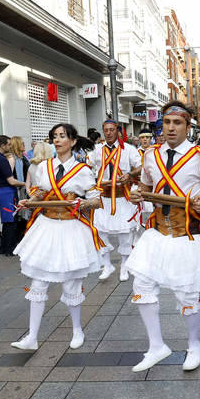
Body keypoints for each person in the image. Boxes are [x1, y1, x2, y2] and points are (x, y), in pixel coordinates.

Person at [127, 101, 200, 372]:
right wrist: (137, 193)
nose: (171, 128)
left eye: (177, 123)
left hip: (188, 234)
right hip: (157, 233)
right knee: (142, 287)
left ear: (188, 126)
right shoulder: (150, 155)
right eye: (167, 123)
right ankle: (156, 346)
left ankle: (194, 345)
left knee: (187, 293)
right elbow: (146, 186)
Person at [11, 123, 102, 351]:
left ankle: (77, 330)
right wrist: (29, 202)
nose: (58, 140)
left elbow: (96, 199)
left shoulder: (82, 170)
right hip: (47, 227)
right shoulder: (44, 167)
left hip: (71, 229)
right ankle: (32, 337)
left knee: (71, 285)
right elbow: (40, 192)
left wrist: (82, 203)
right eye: (55, 137)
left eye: (62, 136)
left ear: (72, 141)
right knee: (38, 283)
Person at [90, 120, 141, 281]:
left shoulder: (129, 150)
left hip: (122, 196)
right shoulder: (96, 150)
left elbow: (141, 166)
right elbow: (88, 168)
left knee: (125, 234)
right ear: (103, 132)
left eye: (112, 130)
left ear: (117, 131)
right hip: (103, 197)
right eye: (106, 130)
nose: (109, 133)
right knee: (99, 232)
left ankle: (124, 266)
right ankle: (107, 264)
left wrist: (130, 175)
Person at [0, 135, 25, 256]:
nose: (10, 146)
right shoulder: (1, 159)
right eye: (9, 144)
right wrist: (26, 183)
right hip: (7, 192)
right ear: (2, 145)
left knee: (7, 220)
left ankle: (3, 247)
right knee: (10, 221)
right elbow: (11, 181)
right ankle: (10, 249)